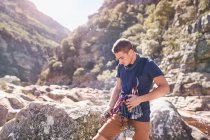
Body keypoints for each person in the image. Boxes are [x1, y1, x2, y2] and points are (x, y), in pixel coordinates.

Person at [93, 38, 170, 140]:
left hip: (141, 114)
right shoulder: (121, 66)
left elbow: (165, 88)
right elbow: (118, 88)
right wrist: (110, 106)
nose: (120, 62)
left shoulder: (147, 64)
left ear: (130, 52)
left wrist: (139, 99)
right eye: (118, 59)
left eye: (122, 58)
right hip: (121, 111)